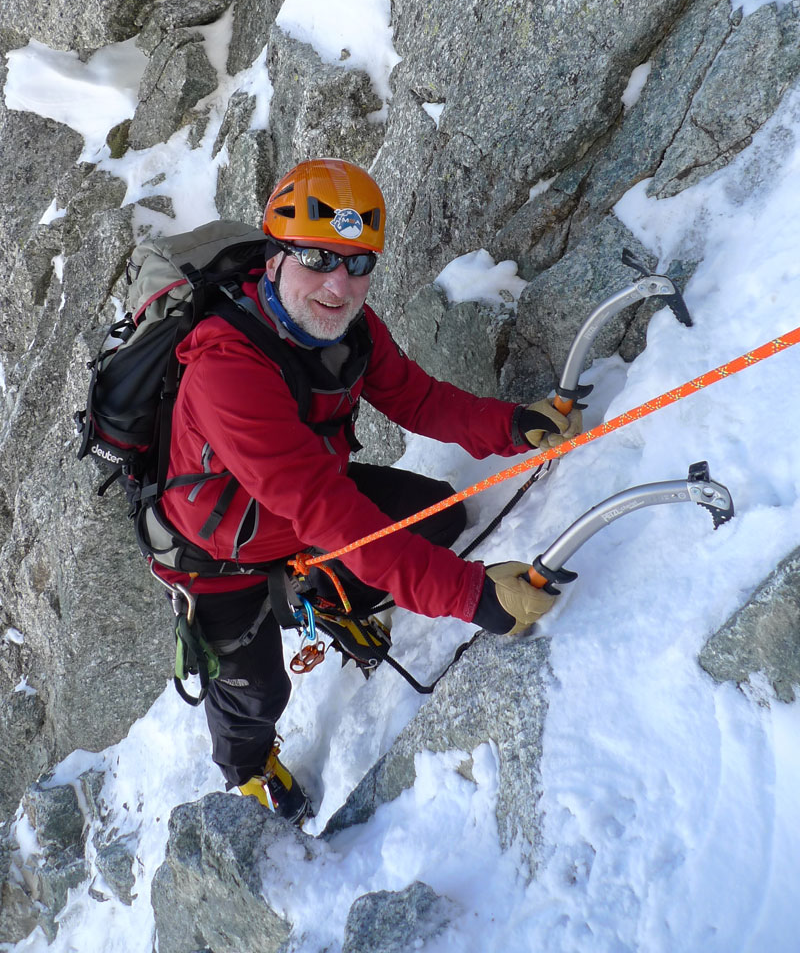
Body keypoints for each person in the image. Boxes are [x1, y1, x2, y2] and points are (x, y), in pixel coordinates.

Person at [158, 157, 581, 824]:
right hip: (219, 557)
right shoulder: (226, 369)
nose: (340, 285)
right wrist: (470, 594)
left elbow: (415, 397)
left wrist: (512, 425)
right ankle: (248, 771)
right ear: (273, 260)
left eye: (359, 264)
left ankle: (330, 595)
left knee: (437, 521)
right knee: (256, 690)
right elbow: (331, 514)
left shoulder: (350, 327)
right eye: (320, 259)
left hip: (308, 501)